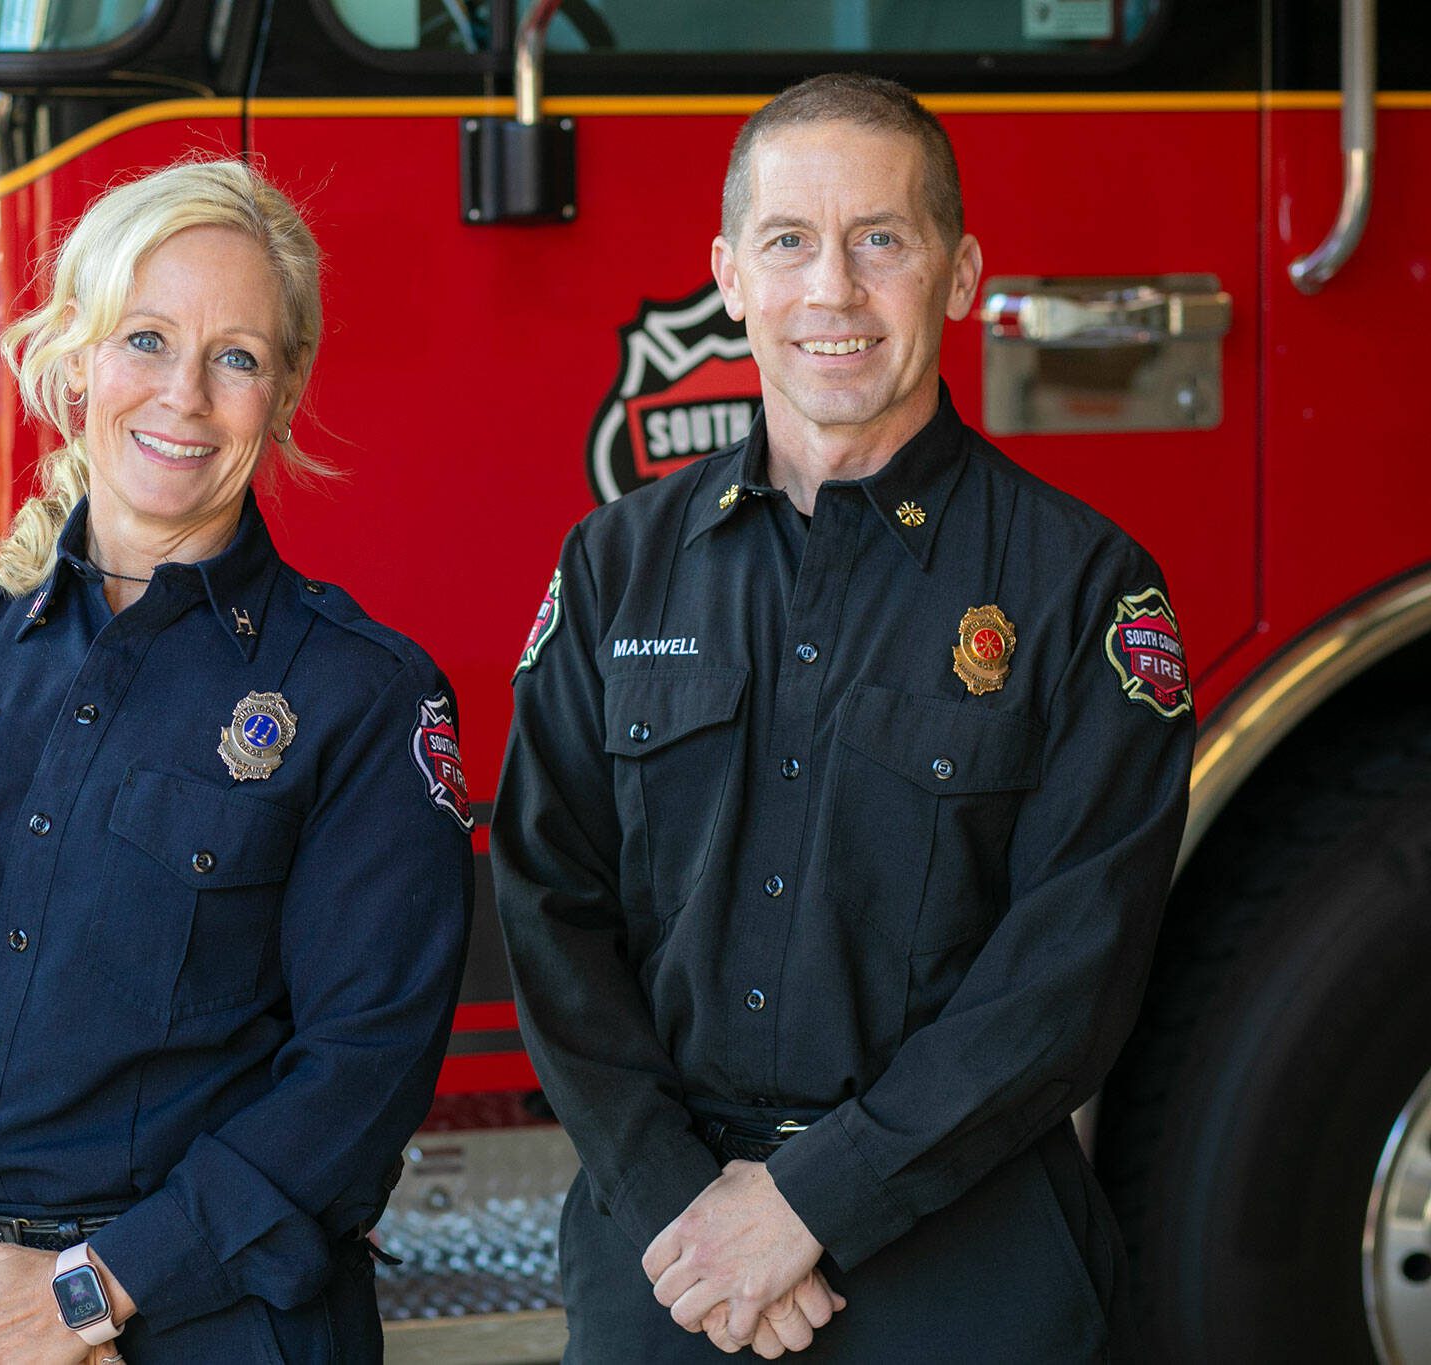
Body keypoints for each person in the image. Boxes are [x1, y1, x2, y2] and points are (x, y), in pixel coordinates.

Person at [493, 73, 1194, 1362]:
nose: (831, 289)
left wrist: (811, 1202)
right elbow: (546, 904)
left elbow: (1070, 970)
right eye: (788, 242)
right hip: (670, 1259)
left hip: (960, 1252)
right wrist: (683, 1210)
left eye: (880, 239)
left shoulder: (1083, 587)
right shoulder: (613, 565)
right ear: (728, 279)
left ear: (959, 272)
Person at [0, 159, 475, 1365]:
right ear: (76, 356)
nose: (185, 395)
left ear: (282, 393)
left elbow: (360, 1071)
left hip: (215, 1323)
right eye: (145, 339)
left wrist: (88, 1296)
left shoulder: (362, 694)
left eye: (236, 357)